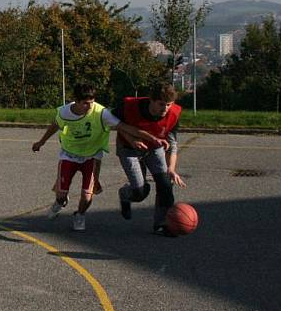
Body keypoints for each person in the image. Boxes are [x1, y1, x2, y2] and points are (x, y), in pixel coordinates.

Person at [32, 83, 167, 231]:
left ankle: (80, 215)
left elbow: (124, 127)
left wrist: (152, 139)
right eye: (85, 103)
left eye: (91, 102)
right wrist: (41, 142)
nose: (89, 106)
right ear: (75, 101)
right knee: (61, 195)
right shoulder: (64, 113)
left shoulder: (101, 113)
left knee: (87, 196)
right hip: (69, 155)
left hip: (92, 157)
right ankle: (60, 202)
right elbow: (55, 125)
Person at [114, 82, 185, 236]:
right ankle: (125, 194)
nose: (165, 109)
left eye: (169, 105)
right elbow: (114, 123)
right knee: (140, 192)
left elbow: (172, 143)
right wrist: (131, 139)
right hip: (129, 148)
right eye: (161, 104)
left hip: (154, 147)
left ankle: (162, 223)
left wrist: (171, 168)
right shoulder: (129, 106)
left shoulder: (173, 114)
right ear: (151, 100)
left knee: (165, 185)